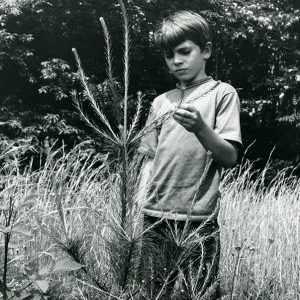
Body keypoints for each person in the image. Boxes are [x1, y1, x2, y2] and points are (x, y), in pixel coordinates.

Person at [137, 10, 242, 299]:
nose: (177, 61)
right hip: (155, 218)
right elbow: (149, 158)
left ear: (205, 50)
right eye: (169, 55)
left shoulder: (223, 93)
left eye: (185, 52)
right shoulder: (161, 102)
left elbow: (229, 157)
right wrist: (141, 208)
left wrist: (200, 128)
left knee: (201, 293)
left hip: (199, 219)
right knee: (151, 293)